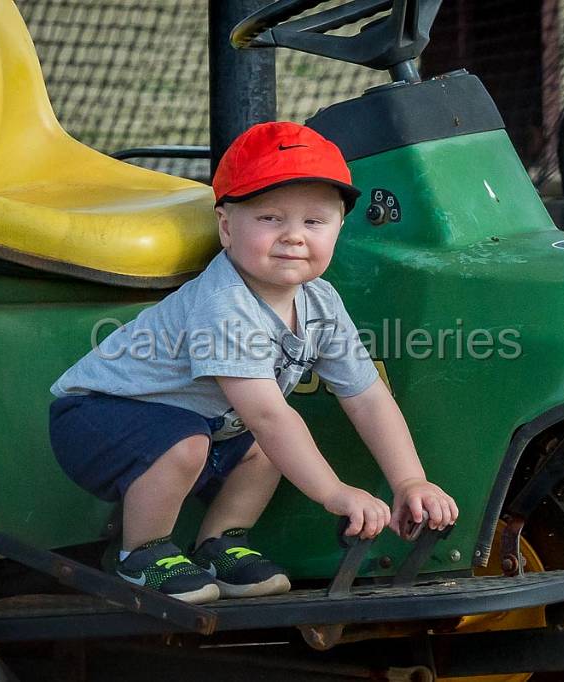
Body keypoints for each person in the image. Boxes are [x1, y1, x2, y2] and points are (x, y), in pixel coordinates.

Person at [48, 121, 459, 604]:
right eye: (269, 219)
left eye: (314, 222)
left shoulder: (320, 301)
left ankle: (220, 543)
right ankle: (141, 555)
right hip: (96, 418)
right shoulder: (225, 304)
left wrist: (408, 479)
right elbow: (266, 412)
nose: (294, 237)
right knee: (213, 438)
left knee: (265, 447)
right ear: (226, 227)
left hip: (202, 424)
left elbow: (366, 395)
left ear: (338, 228)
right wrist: (333, 493)